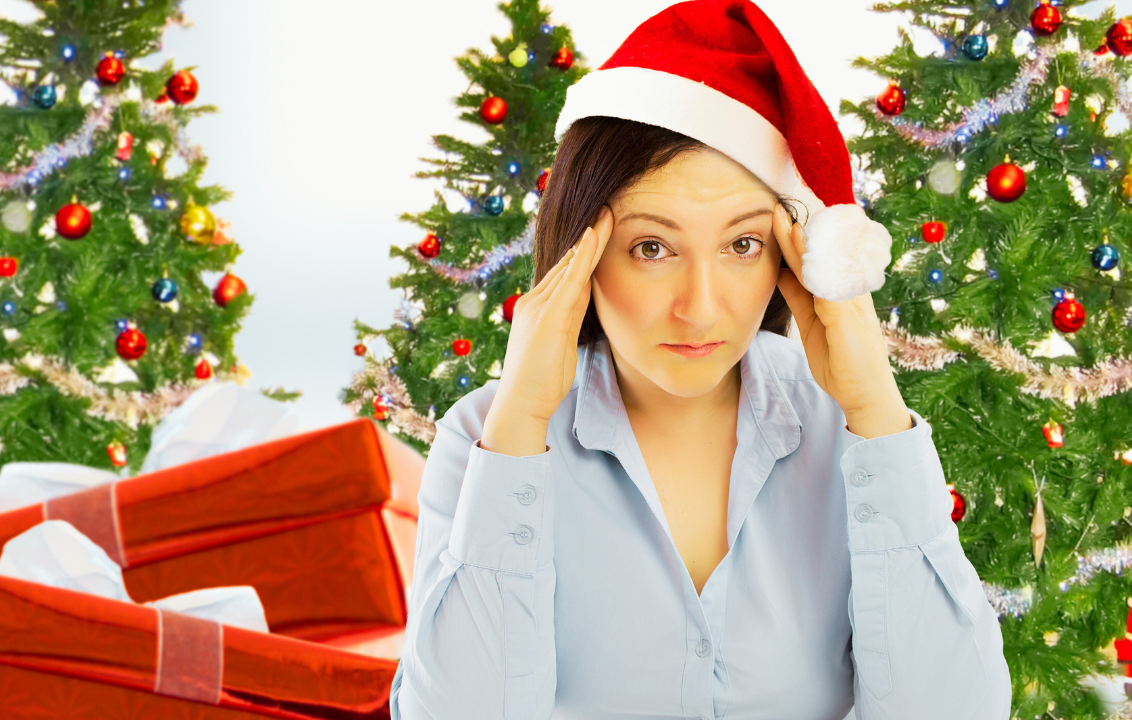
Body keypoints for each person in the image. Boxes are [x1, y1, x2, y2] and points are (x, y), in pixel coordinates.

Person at [390, 1, 1011, 718]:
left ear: (791, 254)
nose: (702, 308)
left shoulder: (852, 436)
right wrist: (522, 423)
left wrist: (875, 409)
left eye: (742, 245)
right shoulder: (483, 442)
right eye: (652, 248)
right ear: (580, 253)